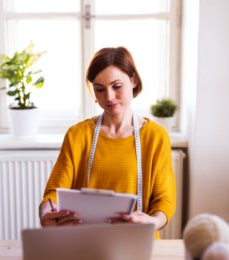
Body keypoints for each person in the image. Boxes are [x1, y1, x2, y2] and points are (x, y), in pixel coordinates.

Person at [39, 46, 176, 239]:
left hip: (137, 240)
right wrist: (46, 211)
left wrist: (152, 222)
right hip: (86, 242)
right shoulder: (77, 135)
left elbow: (164, 201)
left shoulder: (156, 137)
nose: (109, 97)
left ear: (134, 80)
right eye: (99, 89)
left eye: (117, 86)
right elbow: (54, 192)